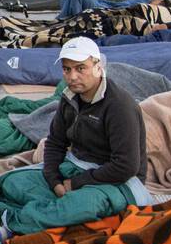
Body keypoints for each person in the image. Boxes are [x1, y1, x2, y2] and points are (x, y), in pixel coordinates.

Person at [42, 37, 147, 199]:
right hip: (77, 165)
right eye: (67, 69)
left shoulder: (119, 106)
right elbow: (55, 142)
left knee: (73, 208)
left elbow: (126, 166)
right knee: (11, 183)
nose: (72, 76)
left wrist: (76, 183)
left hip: (118, 182)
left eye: (80, 68)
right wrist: (54, 181)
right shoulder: (69, 98)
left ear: (98, 68)